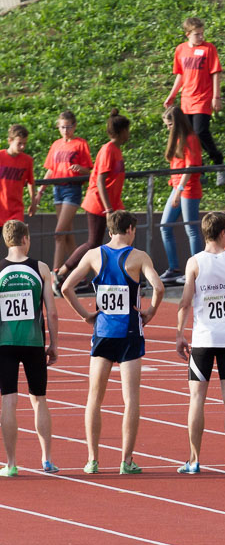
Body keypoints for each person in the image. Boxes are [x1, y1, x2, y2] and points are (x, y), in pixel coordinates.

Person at [61, 210, 165, 474]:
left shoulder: (94, 255)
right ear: (131, 229)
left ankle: (92, 459)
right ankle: (126, 461)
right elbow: (160, 287)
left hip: (103, 333)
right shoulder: (139, 256)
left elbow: (65, 287)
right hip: (130, 335)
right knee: (130, 400)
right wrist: (150, 312)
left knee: (94, 399)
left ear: (109, 231)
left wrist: (86, 316)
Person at [174, 212, 225, 474]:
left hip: (203, 340)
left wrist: (179, 333)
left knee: (197, 398)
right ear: (222, 233)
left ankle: (194, 460)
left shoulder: (194, 262)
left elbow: (185, 301)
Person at [0, 221, 58, 477]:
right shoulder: (41, 268)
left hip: (5, 344)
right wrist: (54, 343)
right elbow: (52, 312)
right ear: (25, 239)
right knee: (39, 400)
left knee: (8, 401)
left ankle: (11, 463)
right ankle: (46, 459)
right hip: (34, 343)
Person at [57, 110, 129, 288]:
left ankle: (111, 277)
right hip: (98, 203)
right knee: (93, 243)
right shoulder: (108, 150)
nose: (129, 134)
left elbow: (113, 181)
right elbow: (99, 180)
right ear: (120, 132)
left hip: (111, 204)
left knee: (120, 237)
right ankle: (61, 274)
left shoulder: (116, 150)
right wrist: (108, 209)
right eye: (127, 130)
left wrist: (116, 207)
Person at [163, 17, 225, 185]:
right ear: (188, 34)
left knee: (200, 131)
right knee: (189, 136)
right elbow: (180, 75)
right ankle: (199, 169)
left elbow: (216, 73)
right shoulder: (181, 50)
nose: (201, 37)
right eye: (197, 34)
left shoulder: (209, 49)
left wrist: (216, 96)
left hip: (203, 98)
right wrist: (172, 94)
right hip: (187, 99)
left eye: (202, 33)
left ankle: (218, 162)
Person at [37, 111, 92, 273]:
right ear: (58, 127)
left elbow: (89, 171)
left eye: (68, 127)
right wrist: (40, 191)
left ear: (74, 126)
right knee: (67, 235)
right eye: (62, 127)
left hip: (72, 189)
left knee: (59, 234)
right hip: (57, 189)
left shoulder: (80, 144)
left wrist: (79, 168)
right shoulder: (56, 144)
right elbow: (50, 170)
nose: (65, 130)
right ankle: (80, 275)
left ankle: (55, 274)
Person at [159, 106, 204, 285]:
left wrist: (179, 190)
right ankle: (174, 267)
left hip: (188, 188)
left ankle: (196, 268)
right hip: (177, 187)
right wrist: (176, 188)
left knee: (191, 229)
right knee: (165, 226)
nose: (168, 128)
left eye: (170, 124)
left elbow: (190, 167)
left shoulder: (190, 138)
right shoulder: (177, 139)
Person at [0, 124, 36, 223]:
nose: (22, 147)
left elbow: (31, 182)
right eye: (19, 143)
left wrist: (33, 202)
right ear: (10, 141)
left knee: (16, 238)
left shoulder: (27, 160)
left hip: (16, 210)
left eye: (24, 143)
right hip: (1, 208)